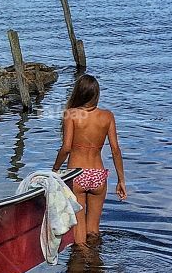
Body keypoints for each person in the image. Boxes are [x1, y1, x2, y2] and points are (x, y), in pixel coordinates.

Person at [51, 73, 126, 246]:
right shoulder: (107, 116)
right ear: (96, 94)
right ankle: (96, 266)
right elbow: (115, 150)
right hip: (99, 176)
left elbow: (66, 148)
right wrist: (121, 180)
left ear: (78, 93)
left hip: (76, 175)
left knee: (79, 233)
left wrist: (55, 169)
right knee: (93, 231)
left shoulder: (71, 114)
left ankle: (82, 265)